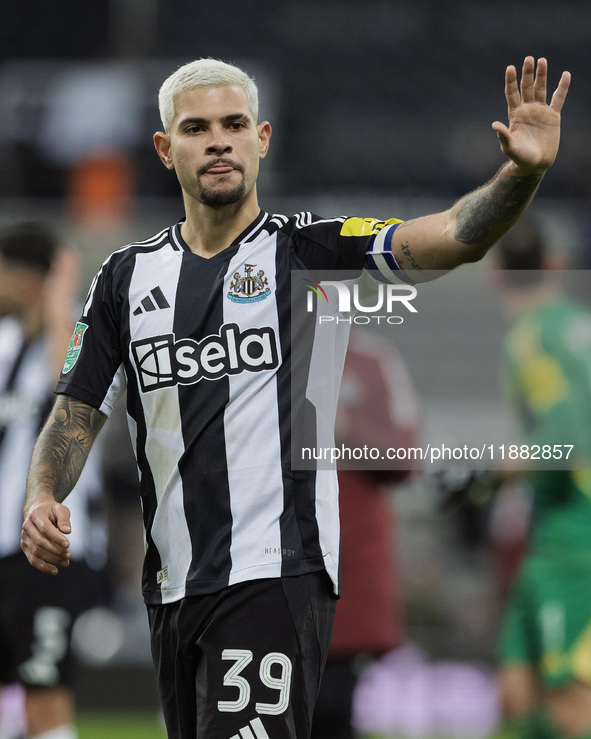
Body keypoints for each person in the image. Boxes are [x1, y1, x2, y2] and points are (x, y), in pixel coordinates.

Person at [19, 55, 569, 739]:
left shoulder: (307, 250)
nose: (217, 139)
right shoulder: (123, 279)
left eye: (233, 123)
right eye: (196, 127)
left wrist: (519, 174)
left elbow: (449, 237)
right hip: (172, 586)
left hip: (275, 572)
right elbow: (75, 408)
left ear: (262, 138)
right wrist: (45, 493)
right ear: (165, 148)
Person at [0, 223, 108, 739]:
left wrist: (62, 287)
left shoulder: (75, 347)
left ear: (26, 282)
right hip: (0, 552)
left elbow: (66, 375)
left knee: (44, 699)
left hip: (47, 554)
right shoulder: (2, 345)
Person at [493, 221, 591, 739]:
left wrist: (509, 462)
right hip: (550, 537)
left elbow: (568, 435)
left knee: (568, 707)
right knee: (516, 690)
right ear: (554, 266)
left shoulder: (530, 338)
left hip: (573, 538)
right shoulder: (581, 325)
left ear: (494, 277)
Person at [311, 328, 420, 739]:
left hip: (346, 569)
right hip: (270, 563)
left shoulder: (372, 361)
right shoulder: (257, 351)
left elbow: (405, 456)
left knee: (332, 707)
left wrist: (346, 425)